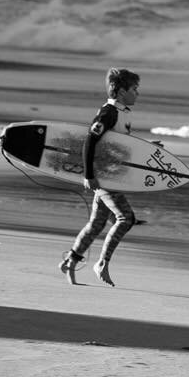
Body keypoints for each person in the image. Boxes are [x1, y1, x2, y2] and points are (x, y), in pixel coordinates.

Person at [58, 68, 144, 287]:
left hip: (109, 175)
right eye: (134, 89)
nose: (138, 93)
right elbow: (90, 141)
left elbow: (119, 146)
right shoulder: (109, 112)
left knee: (96, 224)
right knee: (126, 218)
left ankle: (71, 260)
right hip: (103, 177)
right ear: (122, 91)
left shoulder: (122, 112)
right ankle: (102, 263)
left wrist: (150, 151)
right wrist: (89, 175)